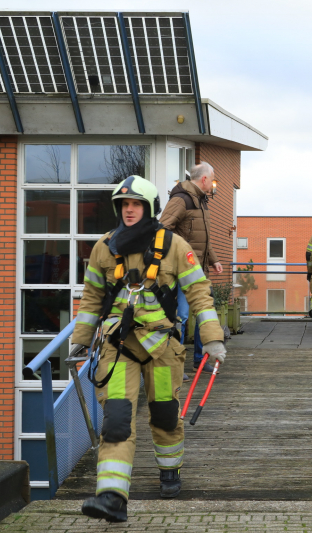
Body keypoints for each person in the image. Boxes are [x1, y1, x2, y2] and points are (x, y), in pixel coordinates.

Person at [72, 176, 227, 522]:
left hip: (162, 347)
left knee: (164, 415)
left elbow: (199, 292)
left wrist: (212, 336)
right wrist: (80, 341)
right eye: (123, 204)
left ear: (149, 207)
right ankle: (112, 497)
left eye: (136, 204)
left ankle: (169, 470)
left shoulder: (174, 246)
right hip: (118, 346)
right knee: (116, 420)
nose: (129, 210)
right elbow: (92, 298)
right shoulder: (104, 247)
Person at [159, 162, 223, 374]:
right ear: (203, 179)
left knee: (204, 313)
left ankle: (199, 359)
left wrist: (213, 259)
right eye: (212, 178)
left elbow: (202, 238)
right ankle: (175, 364)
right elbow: (163, 229)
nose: (214, 183)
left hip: (197, 268)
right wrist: (181, 254)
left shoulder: (201, 201)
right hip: (182, 269)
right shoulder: (181, 199)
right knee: (182, 317)